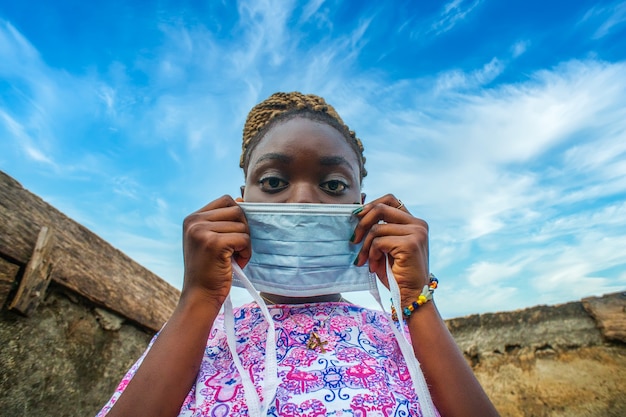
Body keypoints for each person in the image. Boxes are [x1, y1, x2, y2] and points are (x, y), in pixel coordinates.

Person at [98, 92, 499, 417]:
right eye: (273, 182)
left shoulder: (402, 342)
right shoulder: (200, 339)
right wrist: (199, 297)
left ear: (365, 207)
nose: (305, 200)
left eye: (333, 185)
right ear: (239, 205)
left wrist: (415, 299)